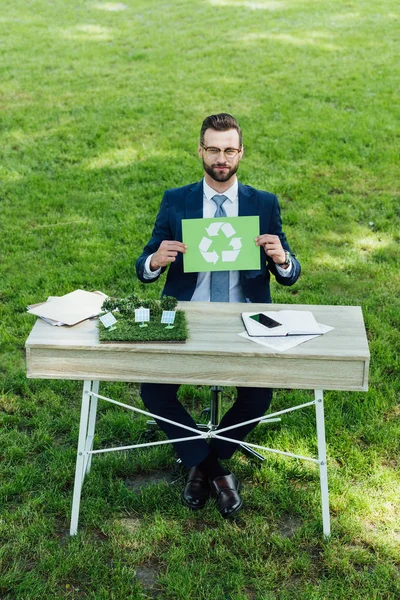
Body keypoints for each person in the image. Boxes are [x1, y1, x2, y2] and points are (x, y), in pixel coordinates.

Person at [136, 113, 301, 518]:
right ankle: (212, 469)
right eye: (213, 149)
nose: (221, 158)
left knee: (259, 394)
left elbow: (291, 273)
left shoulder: (263, 203)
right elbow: (143, 265)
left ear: (240, 152)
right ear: (201, 150)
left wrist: (281, 259)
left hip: (245, 315)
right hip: (187, 312)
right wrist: (155, 261)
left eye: (229, 150)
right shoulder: (177, 199)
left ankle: (203, 460)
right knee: (154, 391)